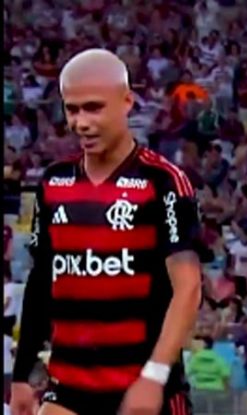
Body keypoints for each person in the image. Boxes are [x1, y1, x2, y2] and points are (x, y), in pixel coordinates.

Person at [11, 49, 202, 415]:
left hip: (140, 391)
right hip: (67, 389)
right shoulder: (53, 182)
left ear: (126, 102)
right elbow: (41, 281)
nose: (81, 122)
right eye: (72, 109)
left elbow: (189, 287)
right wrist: (23, 373)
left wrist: (155, 376)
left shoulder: (163, 181)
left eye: (93, 108)